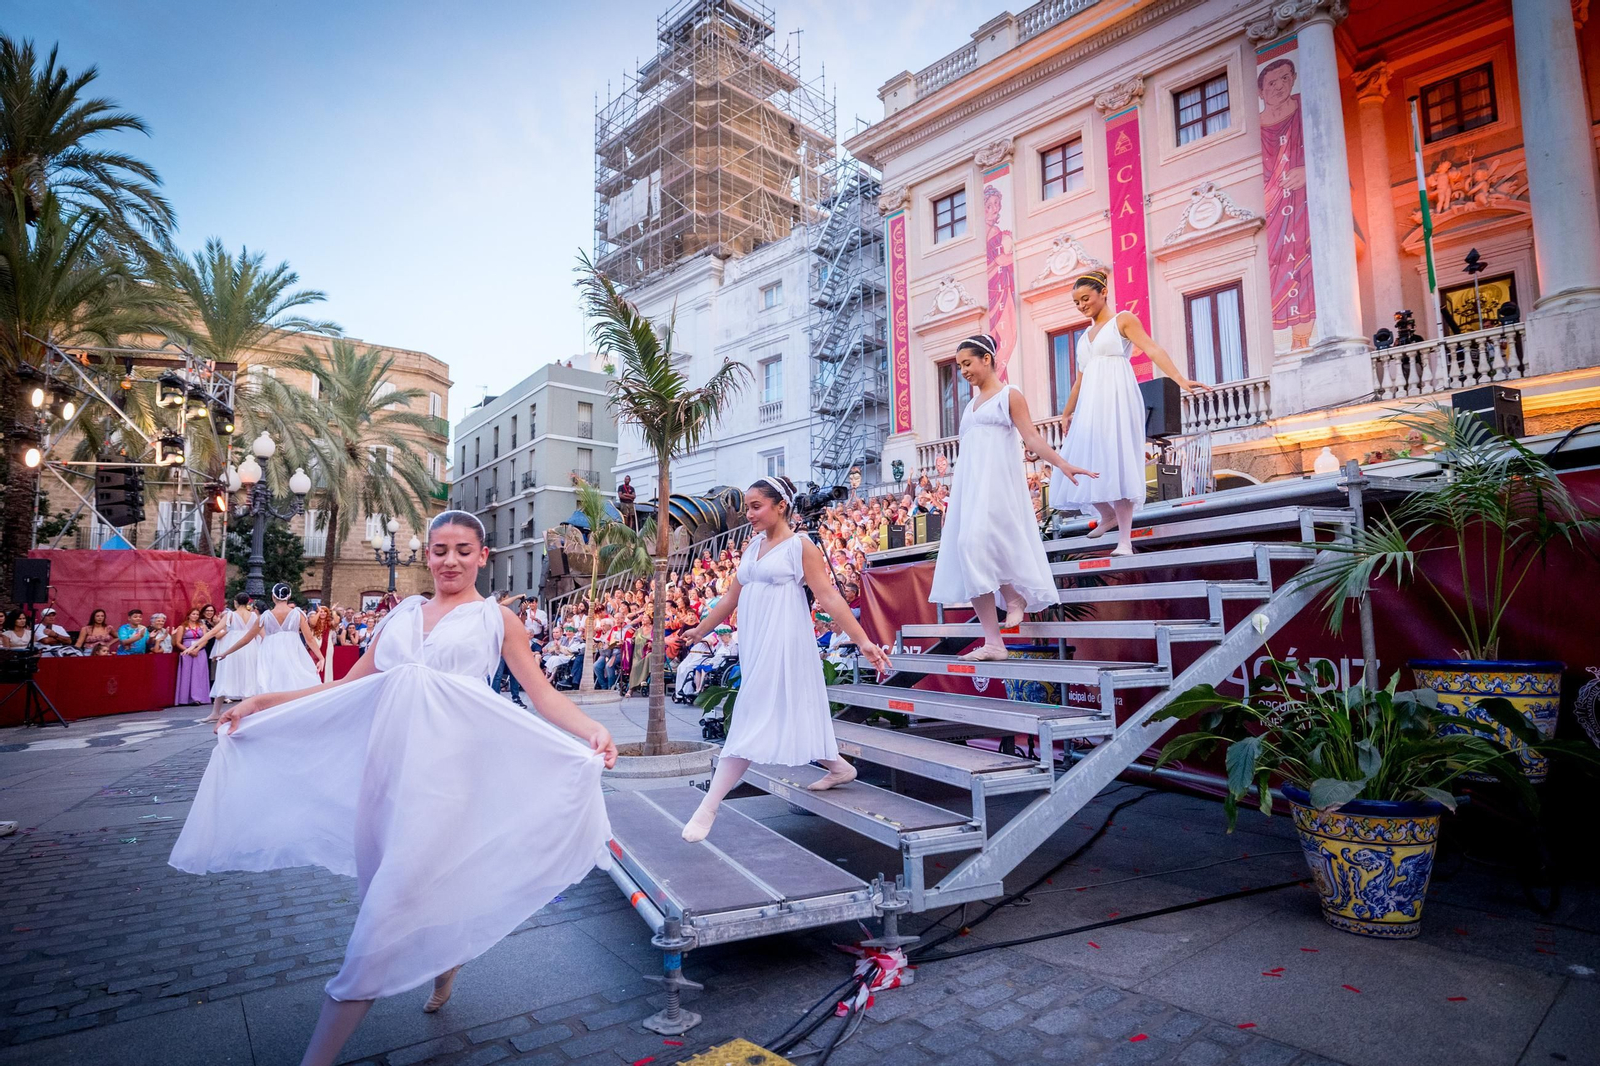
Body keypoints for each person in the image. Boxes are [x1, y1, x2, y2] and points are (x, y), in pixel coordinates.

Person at [170, 510, 615, 1066]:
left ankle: (320, 1052)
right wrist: (261, 702)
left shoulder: (497, 621)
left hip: (451, 783)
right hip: (385, 782)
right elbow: (347, 687)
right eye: (439, 549)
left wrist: (592, 729)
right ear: (425, 555)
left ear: (483, 556)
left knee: (384, 917)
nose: (449, 560)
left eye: (461, 550)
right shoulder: (402, 615)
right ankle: (445, 964)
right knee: (401, 887)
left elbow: (542, 694)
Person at [676, 476, 892, 843]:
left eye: (756, 506)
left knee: (751, 715)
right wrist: (701, 629)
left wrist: (864, 642)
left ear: (781, 506)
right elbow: (729, 599)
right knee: (789, 710)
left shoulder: (800, 546)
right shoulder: (751, 547)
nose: (749, 514)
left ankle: (709, 806)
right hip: (756, 642)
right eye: (747, 507)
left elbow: (830, 598)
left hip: (785, 640)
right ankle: (838, 767)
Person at [929, 334, 1097, 661]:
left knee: (976, 543)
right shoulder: (970, 405)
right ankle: (995, 639)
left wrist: (1061, 463)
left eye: (967, 363)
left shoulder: (1010, 395)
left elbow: (1031, 438)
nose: (963, 371)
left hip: (998, 485)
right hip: (971, 487)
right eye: (959, 365)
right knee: (967, 548)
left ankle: (1011, 601)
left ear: (987, 359)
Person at [1051, 271, 1211, 557]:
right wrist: (1066, 412)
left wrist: (1179, 379)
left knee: (1117, 462)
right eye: (1076, 302)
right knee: (1077, 462)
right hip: (1090, 404)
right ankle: (1107, 514)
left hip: (1117, 397)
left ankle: (1124, 540)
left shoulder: (1122, 320)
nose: (1081, 305)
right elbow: (1079, 380)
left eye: (1085, 298)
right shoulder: (1083, 338)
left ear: (1103, 294)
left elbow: (1152, 349)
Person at [215, 584, 322, 694]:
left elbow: (246, 639)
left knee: (272, 686)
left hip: (271, 654)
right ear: (288, 597)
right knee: (294, 683)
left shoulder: (264, 617)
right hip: (293, 652)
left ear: (273, 596)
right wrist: (321, 657)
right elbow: (310, 639)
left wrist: (226, 653)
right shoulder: (297, 614)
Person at [205, 593, 260, 723]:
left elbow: (214, 631)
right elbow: (261, 634)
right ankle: (245, 710)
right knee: (249, 676)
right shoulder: (254, 616)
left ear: (235, 602)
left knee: (224, 676)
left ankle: (215, 712)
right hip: (251, 647)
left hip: (233, 647)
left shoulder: (230, 615)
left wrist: (196, 645)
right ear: (247, 602)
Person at [175, 608, 212, 706]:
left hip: (200, 651)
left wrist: (197, 649)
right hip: (187, 652)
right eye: (193, 614)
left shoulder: (202, 626)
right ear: (188, 615)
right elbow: (178, 642)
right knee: (187, 675)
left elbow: (205, 639)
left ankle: (200, 697)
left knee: (199, 674)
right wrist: (188, 651)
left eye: (197, 614)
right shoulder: (182, 627)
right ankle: (185, 698)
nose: (195, 616)